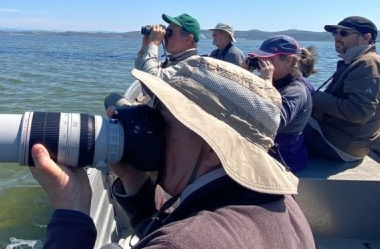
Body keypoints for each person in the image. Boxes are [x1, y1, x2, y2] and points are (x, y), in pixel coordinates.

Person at [30, 57, 315, 248]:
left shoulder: (184, 242)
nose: (149, 125)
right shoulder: (280, 204)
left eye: (161, 117)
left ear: (213, 145)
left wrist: (71, 211)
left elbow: (180, 238)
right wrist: (136, 183)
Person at [305, 16, 380, 162]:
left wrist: (311, 96)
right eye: (335, 33)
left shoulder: (368, 64)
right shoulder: (358, 61)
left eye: (344, 33)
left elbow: (359, 113)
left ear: (366, 37)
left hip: (339, 145)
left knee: (280, 121)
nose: (337, 37)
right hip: (343, 139)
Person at [244, 35, 317, 172]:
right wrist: (243, 76)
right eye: (259, 59)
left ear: (288, 61)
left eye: (267, 59)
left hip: (283, 159)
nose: (261, 63)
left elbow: (270, 122)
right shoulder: (276, 82)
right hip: (265, 151)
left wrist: (266, 82)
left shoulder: (296, 91)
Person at [135, 13, 201, 79]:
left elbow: (152, 79)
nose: (164, 36)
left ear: (188, 38)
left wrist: (153, 43)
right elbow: (140, 71)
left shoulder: (193, 65)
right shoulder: (172, 61)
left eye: (169, 32)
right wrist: (146, 46)